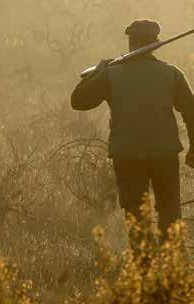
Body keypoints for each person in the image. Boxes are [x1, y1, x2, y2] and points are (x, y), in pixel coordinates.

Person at [71, 19, 194, 240]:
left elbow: (79, 101)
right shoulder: (172, 73)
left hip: (127, 156)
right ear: (156, 42)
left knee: (136, 218)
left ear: (130, 42)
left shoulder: (110, 74)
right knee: (169, 214)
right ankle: (171, 269)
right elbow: (192, 112)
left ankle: (143, 270)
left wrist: (100, 71)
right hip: (164, 153)